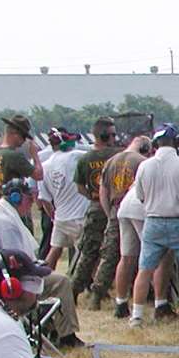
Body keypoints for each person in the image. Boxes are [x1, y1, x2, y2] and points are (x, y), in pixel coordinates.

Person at [0, 178, 84, 348]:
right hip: (2, 282)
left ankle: (52, 328)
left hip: (1, 276)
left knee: (53, 278)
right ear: (16, 198)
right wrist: (36, 268)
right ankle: (67, 336)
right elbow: (16, 261)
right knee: (61, 282)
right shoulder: (5, 223)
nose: (32, 203)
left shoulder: (3, 216)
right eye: (29, 199)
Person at [130, 124, 179, 326]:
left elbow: (140, 196)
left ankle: (137, 315)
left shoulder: (145, 165)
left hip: (153, 221)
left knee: (145, 269)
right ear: (177, 143)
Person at [101, 134, 153, 319]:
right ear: (145, 149)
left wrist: (109, 214)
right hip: (138, 207)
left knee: (125, 258)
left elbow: (103, 191)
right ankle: (154, 300)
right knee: (151, 257)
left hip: (118, 209)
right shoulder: (142, 161)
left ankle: (120, 302)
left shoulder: (111, 161)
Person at [72, 117, 123, 303]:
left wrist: (94, 197)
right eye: (113, 135)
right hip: (113, 208)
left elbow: (79, 187)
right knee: (111, 253)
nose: (114, 138)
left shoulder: (84, 159)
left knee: (88, 252)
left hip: (94, 208)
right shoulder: (117, 156)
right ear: (105, 135)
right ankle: (98, 293)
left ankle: (74, 289)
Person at [39, 129, 90, 272]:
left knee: (54, 250)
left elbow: (45, 200)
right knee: (86, 253)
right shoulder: (74, 156)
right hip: (79, 216)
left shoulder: (44, 166)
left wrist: (53, 217)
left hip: (60, 217)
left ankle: (45, 279)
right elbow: (96, 154)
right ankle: (84, 284)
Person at [0, 115, 45, 211]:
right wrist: (35, 155)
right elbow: (39, 175)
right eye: (23, 136)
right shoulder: (14, 156)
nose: (24, 140)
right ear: (15, 133)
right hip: (15, 206)